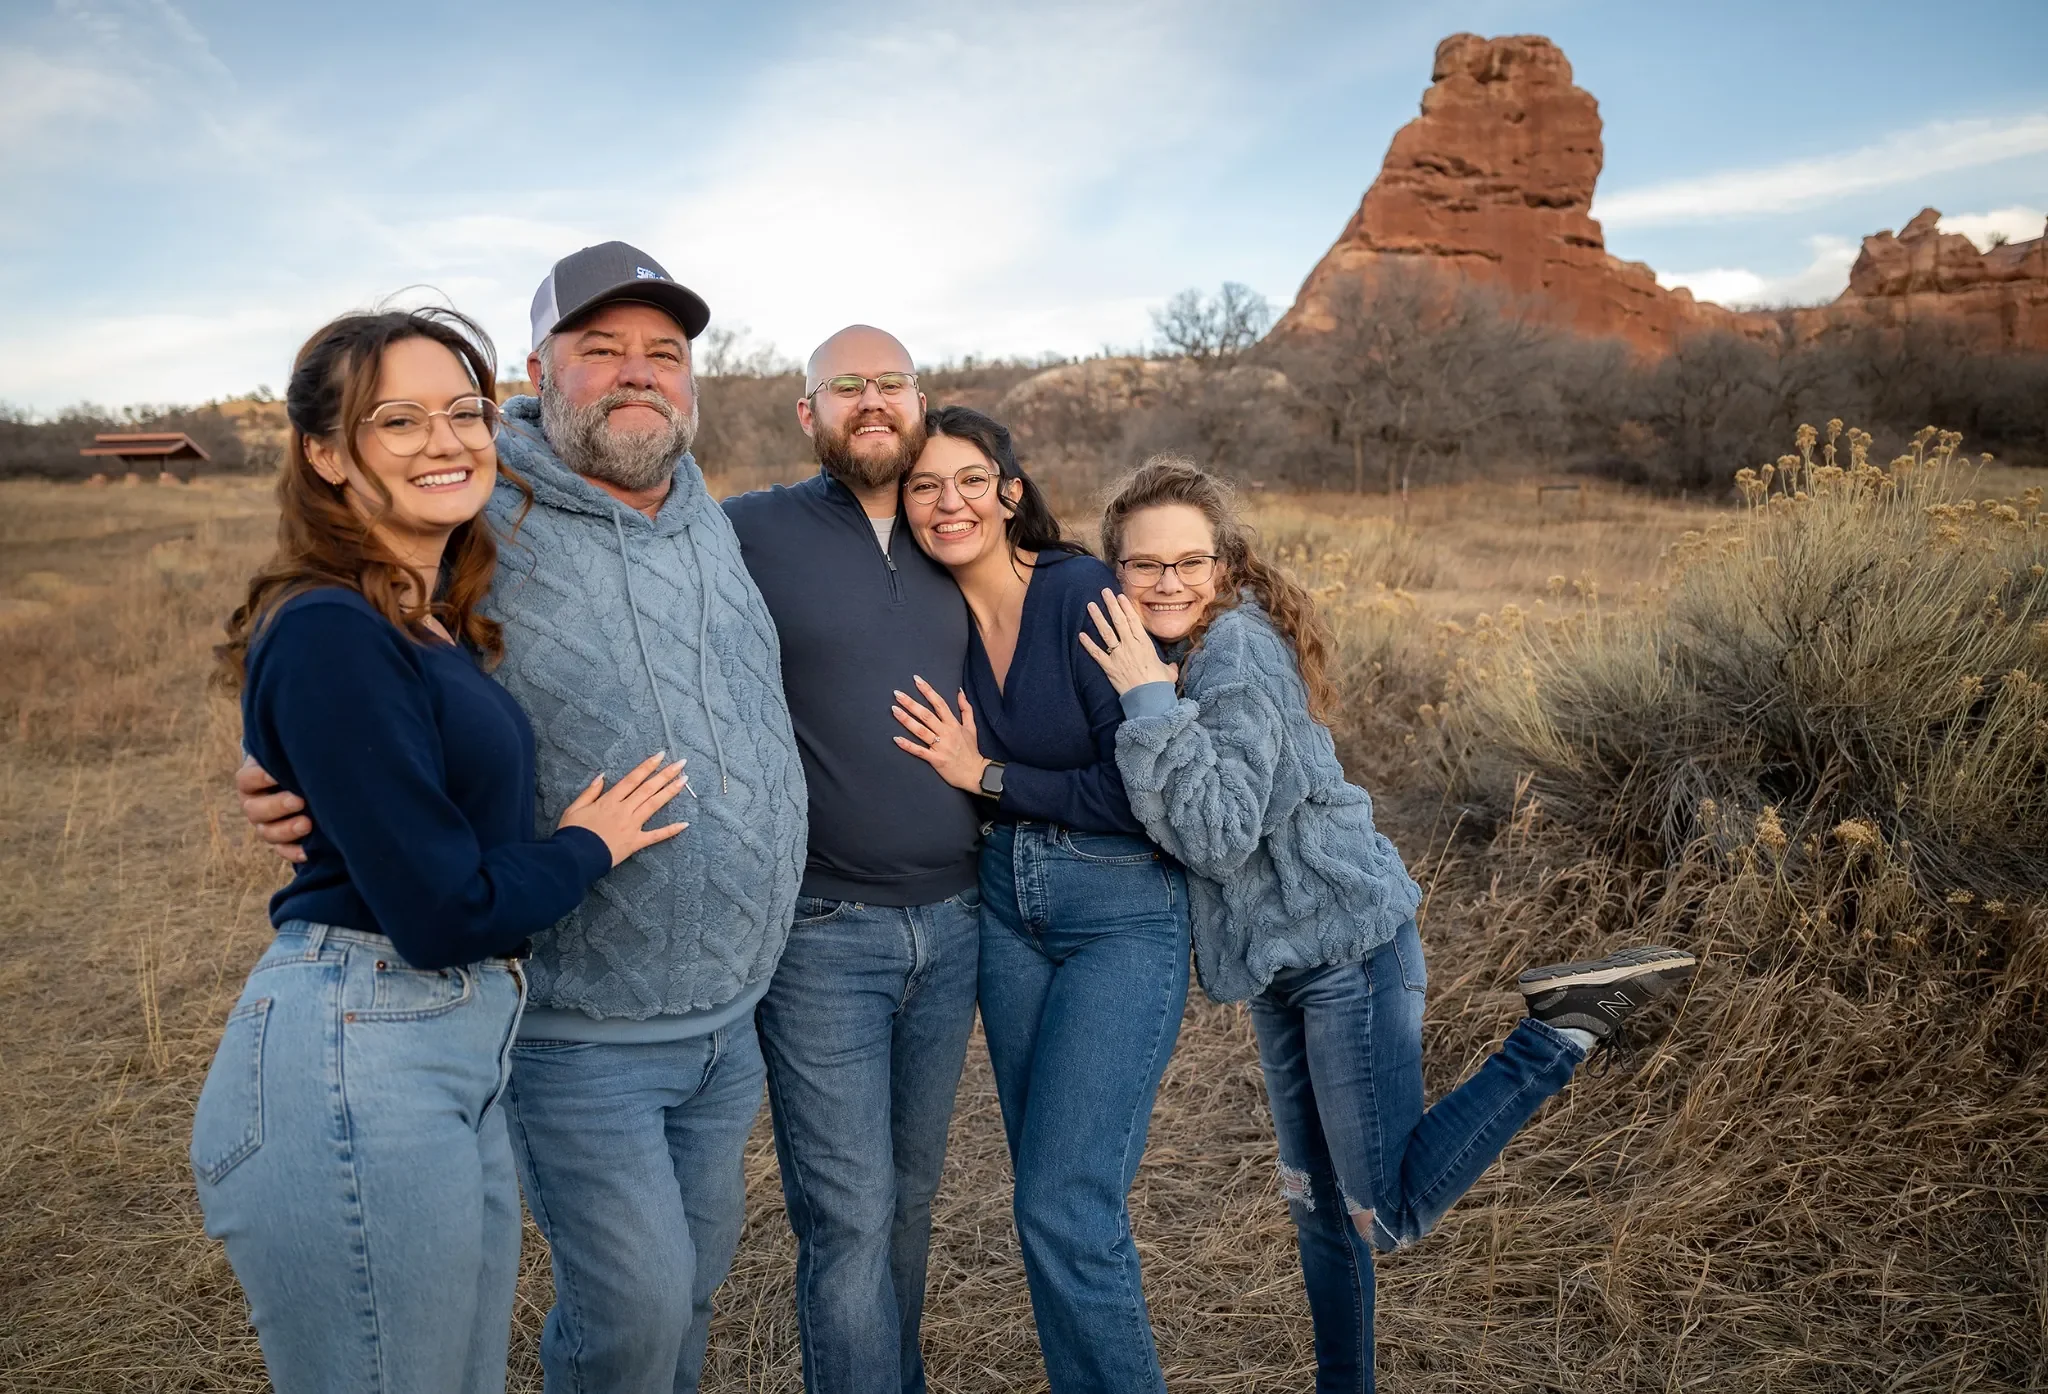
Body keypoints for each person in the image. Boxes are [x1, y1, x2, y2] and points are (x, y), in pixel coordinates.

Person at [234, 243, 808, 1394]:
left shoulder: (710, 516)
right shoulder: (475, 499)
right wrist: (268, 760)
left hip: (731, 1007)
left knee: (689, 1282)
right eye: (600, 351)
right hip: (572, 1014)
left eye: (663, 354)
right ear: (538, 371)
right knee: (634, 1305)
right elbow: (333, 625)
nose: (636, 374)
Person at [1080, 455, 1698, 1394]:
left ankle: (1562, 1027)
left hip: (1348, 952)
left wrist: (1148, 704)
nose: (1168, 582)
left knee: (1388, 1213)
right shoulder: (1182, 653)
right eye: (1143, 565)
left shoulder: (1233, 652)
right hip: (1284, 966)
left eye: (1188, 562)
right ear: (1114, 572)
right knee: (1321, 1214)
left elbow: (1218, 830)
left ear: (1225, 563)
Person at [195, 306, 687, 1394]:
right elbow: (444, 906)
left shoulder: (424, 619)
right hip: (355, 1052)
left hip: (439, 1050)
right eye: (398, 420)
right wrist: (587, 845)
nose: (447, 440)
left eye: (464, 413)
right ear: (325, 454)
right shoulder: (329, 625)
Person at [888, 407, 1191, 1394]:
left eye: (969, 479)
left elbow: (1137, 792)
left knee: (1068, 1200)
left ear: (1008, 490)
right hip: (1006, 912)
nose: (948, 502)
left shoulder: (1082, 594)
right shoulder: (929, 616)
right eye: (924, 484)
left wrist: (987, 776)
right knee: (1043, 1199)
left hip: (1118, 908)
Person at [721, 326, 984, 1394]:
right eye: (845, 387)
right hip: (821, 932)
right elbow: (603, 541)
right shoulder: (745, 529)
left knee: (911, 1196)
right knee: (847, 1212)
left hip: (960, 922)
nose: (870, 400)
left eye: (890, 382)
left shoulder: (959, 523)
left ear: (918, 400)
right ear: (808, 413)